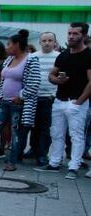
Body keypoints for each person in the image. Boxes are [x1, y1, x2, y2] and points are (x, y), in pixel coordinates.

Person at [35, 23, 91, 180]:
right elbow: (51, 75)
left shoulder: (88, 55)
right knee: (56, 134)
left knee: (76, 136)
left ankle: (74, 166)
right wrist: (58, 80)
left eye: (75, 33)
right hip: (59, 100)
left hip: (76, 102)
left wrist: (79, 102)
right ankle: (54, 163)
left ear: (84, 36)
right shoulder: (63, 55)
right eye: (69, 33)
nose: (71, 36)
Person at [0, 30, 41, 171]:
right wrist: (0, 96)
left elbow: (34, 82)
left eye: (9, 44)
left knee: (16, 134)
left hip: (18, 105)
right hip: (3, 102)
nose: (7, 47)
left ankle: (12, 161)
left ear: (17, 44)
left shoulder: (31, 59)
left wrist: (21, 96)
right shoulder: (8, 60)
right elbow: (3, 80)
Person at [24, 32, 60, 166]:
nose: (47, 43)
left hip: (50, 97)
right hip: (34, 97)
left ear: (55, 42)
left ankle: (42, 154)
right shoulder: (32, 57)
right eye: (44, 40)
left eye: (50, 40)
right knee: (34, 126)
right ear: (40, 42)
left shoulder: (59, 57)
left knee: (46, 128)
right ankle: (33, 149)